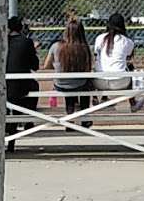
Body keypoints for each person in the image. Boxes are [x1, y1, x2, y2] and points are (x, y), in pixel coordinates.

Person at [44, 16, 93, 123]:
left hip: (61, 84)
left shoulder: (56, 46)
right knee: (85, 83)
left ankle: (70, 116)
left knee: (69, 85)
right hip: (79, 84)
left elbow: (46, 66)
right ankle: (85, 117)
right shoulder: (84, 47)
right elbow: (88, 67)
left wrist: (57, 65)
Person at [6, 16, 39, 153]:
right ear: (21, 28)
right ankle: (28, 118)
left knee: (11, 105)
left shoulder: (3, 42)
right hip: (21, 86)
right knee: (34, 87)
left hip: (4, 85)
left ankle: (22, 121)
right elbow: (35, 65)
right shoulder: (26, 42)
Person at [93, 12, 135, 95]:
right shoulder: (126, 41)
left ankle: (98, 98)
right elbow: (129, 57)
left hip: (99, 82)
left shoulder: (99, 38)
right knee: (130, 69)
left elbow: (95, 54)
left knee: (98, 67)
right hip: (120, 82)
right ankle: (132, 103)